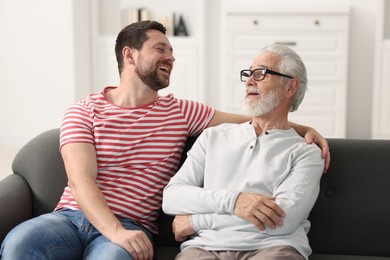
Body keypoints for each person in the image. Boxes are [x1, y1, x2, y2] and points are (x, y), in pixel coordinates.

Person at [0, 21, 327, 260]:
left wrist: (302, 129)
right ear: (129, 55)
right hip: (70, 219)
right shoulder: (83, 109)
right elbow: (80, 180)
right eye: (161, 49)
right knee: (19, 244)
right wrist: (115, 232)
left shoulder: (182, 112)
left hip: (132, 224)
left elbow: (253, 119)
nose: (170, 57)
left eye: (172, 51)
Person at [162, 44, 324, 260]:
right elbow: (172, 197)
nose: (249, 81)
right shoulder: (213, 136)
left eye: (261, 74)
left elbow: (281, 221)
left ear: (290, 87)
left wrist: (196, 221)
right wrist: (234, 200)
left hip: (273, 248)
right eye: (248, 73)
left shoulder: (306, 152)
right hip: (204, 249)